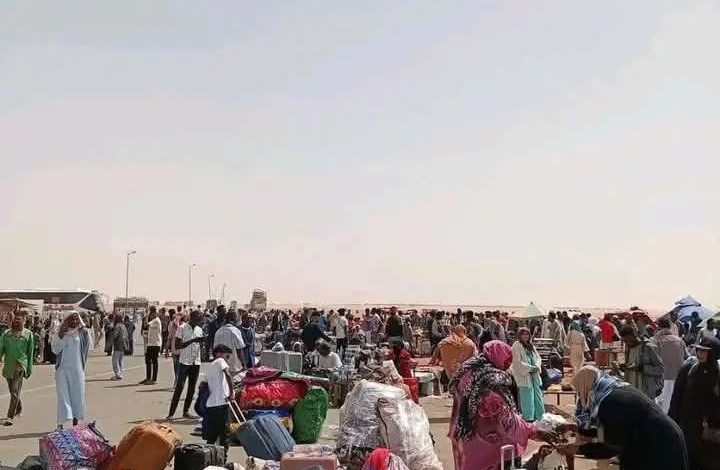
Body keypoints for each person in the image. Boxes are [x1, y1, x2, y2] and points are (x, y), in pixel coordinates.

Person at [449, 340, 557, 470]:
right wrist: (533, 431)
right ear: (497, 356)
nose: (508, 364)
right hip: (490, 446)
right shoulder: (492, 380)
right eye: (507, 359)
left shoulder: (468, 373)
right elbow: (507, 420)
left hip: (465, 439)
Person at [557, 365, 688, 470]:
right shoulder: (610, 391)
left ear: (587, 386)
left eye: (580, 390)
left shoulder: (610, 401)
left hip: (659, 446)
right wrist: (576, 428)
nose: (580, 396)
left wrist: (579, 449)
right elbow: (608, 431)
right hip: (652, 440)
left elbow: (612, 445)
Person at [669, 337, 720, 470]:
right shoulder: (689, 369)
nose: (700, 354)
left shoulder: (717, 373)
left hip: (709, 430)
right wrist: (672, 420)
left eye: (704, 351)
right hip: (687, 425)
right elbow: (676, 397)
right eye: (699, 350)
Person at [51, 312, 92, 430]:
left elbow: (89, 347)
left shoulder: (83, 333)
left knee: (78, 396)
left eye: (76, 319)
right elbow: (55, 349)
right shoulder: (60, 333)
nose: (74, 321)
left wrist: (85, 332)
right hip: (62, 370)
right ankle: (61, 423)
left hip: (77, 369)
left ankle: (76, 422)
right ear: (66, 320)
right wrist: (62, 335)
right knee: (63, 396)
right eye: (71, 319)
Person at [166, 310, 204, 420]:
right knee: (180, 387)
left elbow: (200, 344)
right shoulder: (182, 328)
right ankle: (171, 413)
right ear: (192, 318)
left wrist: (201, 342)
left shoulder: (199, 329)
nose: (199, 321)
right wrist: (192, 341)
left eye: (200, 319)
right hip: (184, 361)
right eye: (197, 319)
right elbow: (178, 345)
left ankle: (186, 411)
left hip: (196, 361)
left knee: (192, 388)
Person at [0, 310, 34, 426]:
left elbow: (30, 352)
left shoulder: (28, 334)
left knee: (14, 391)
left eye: (19, 320)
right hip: (8, 366)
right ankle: (18, 407)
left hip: (20, 366)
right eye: (15, 320)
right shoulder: (6, 334)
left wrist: (28, 368)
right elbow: (1, 347)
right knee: (12, 391)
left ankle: (10, 416)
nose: (17, 322)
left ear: (24, 321)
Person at [651, 318, 688, 413]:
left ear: (658, 327)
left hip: (661, 378)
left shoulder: (655, 340)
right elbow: (686, 357)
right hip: (677, 376)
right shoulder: (679, 340)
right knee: (673, 404)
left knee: (660, 406)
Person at [618, 325, 664, 399]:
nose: (628, 343)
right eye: (625, 341)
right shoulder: (628, 349)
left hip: (647, 393)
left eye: (629, 340)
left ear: (635, 335)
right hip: (633, 393)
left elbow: (660, 369)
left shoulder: (649, 347)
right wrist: (623, 367)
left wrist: (642, 368)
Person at [204, 344, 234, 454]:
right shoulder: (220, 361)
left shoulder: (210, 366)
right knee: (225, 433)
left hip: (211, 404)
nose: (227, 360)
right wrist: (231, 393)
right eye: (227, 356)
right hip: (222, 402)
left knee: (212, 434)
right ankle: (223, 457)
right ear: (219, 354)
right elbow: (228, 375)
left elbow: (205, 384)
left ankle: (209, 456)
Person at [511, 327, 544, 422]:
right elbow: (517, 362)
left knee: (537, 395)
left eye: (527, 334)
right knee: (527, 397)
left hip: (534, 374)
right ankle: (528, 418)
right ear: (519, 335)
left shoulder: (531, 346)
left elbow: (538, 358)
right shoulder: (516, 345)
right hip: (525, 374)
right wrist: (530, 368)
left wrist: (536, 366)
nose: (525, 336)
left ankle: (539, 416)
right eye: (523, 334)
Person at [213, 310, 246, 377]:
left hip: (221, 365)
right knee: (232, 382)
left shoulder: (218, 331)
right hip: (234, 366)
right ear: (234, 318)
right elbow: (239, 349)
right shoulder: (235, 331)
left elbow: (215, 350)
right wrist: (244, 365)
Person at [141, 306, 162, 385]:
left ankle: (153, 379)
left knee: (154, 361)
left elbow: (145, 325)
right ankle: (148, 378)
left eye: (150, 313)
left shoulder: (156, 320)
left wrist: (146, 315)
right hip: (151, 343)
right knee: (148, 361)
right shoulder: (154, 320)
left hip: (155, 344)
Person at [109, 314, 129, 381]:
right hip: (123, 345)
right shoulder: (123, 326)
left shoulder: (117, 326)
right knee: (120, 360)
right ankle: (120, 373)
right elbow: (126, 335)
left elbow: (115, 335)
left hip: (118, 345)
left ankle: (117, 374)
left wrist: (112, 331)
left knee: (115, 360)